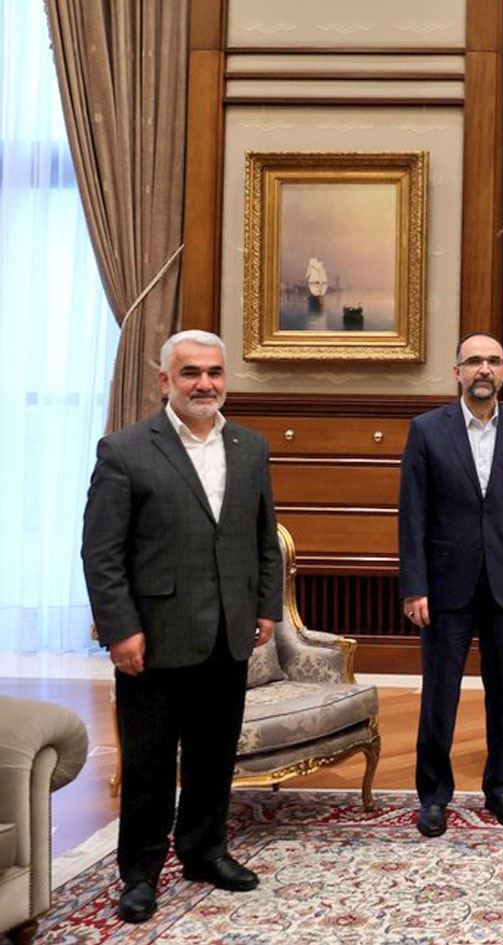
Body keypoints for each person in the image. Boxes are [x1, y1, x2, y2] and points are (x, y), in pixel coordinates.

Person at [81, 330, 282, 923]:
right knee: (148, 763)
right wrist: (120, 630)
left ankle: (204, 852)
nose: (205, 384)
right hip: (154, 636)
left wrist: (266, 607)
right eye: (191, 373)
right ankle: (140, 873)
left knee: (213, 755)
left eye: (214, 372)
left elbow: (263, 536)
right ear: (165, 380)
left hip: (229, 630)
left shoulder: (250, 446)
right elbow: (102, 553)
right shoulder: (124, 451)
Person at [399, 331, 503, 837]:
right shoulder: (427, 430)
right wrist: (414, 587)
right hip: (446, 586)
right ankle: (433, 797)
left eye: (493, 361)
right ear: (457, 372)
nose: (483, 369)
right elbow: (412, 516)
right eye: (473, 361)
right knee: (439, 694)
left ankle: (501, 789)